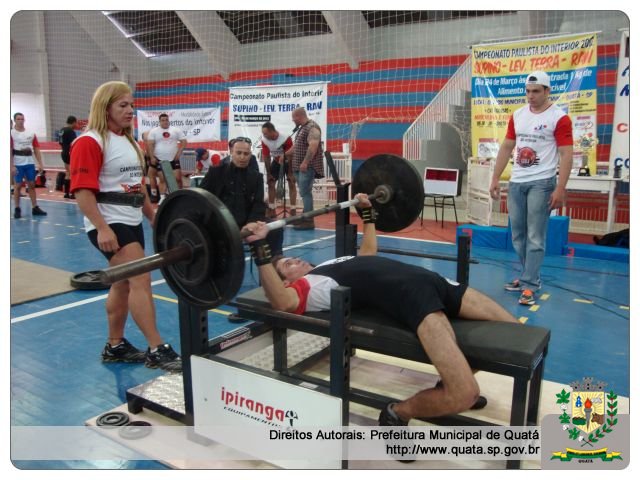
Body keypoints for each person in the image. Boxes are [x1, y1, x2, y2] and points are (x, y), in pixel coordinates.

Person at [241, 194, 519, 428]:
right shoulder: (309, 286)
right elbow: (282, 302)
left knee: (515, 331)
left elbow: (369, 255)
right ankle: (397, 412)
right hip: (413, 299)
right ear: (287, 281)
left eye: (291, 257)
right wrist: (260, 249)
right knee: (464, 394)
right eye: (287, 264)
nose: (295, 259)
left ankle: (445, 386)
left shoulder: (330, 265)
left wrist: (368, 216)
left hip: (434, 282)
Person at [70, 81, 181, 372]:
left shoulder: (129, 141)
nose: (130, 110)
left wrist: (154, 216)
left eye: (131, 104)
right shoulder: (89, 141)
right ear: (105, 108)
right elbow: (82, 191)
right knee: (140, 279)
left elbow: (137, 187)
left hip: (130, 219)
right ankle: (157, 349)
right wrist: (102, 228)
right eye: (123, 105)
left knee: (121, 282)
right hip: (109, 222)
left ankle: (115, 345)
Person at [489, 71, 573, 306]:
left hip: (542, 182)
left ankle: (529, 285)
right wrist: (496, 178)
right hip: (517, 182)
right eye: (527, 91)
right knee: (518, 235)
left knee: (535, 236)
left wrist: (560, 188)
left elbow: (567, 154)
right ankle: (529, 276)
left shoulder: (559, 118)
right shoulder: (518, 115)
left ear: (547, 91)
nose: (531, 96)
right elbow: (507, 147)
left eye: (536, 91)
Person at [200, 137, 283, 257]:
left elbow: (258, 204)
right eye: (238, 153)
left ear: (250, 155)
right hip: (220, 222)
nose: (242, 157)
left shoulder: (257, 177)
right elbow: (202, 197)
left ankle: (276, 261)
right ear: (231, 153)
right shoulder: (215, 173)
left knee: (275, 229)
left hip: (246, 222)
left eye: (246, 154)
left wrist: (251, 223)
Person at [286, 107, 325, 230]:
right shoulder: (302, 128)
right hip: (299, 167)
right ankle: (304, 217)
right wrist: (284, 154)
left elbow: (313, 146)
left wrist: (305, 162)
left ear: (298, 116)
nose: (293, 120)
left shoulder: (312, 127)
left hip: (306, 167)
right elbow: (297, 146)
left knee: (305, 193)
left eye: (293, 118)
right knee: (304, 193)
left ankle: (308, 220)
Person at [11, 112, 47, 219]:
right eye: (18, 119)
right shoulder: (11, 133)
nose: (21, 121)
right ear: (14, 120)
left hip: (29, 162)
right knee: (17, 186)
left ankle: (35, 207)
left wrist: (40, 163)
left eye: (22, 119)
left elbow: (36, 148)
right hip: (17, 163)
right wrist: (11, 165)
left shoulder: (31, 133)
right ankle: (17, 208)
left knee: (31, 185)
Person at [260, 121, 297, 218]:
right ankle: (271, 209)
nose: (264, 135)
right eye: (263, 133)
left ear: (272, 131)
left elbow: (291, 156)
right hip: (276, 162)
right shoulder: (264, 140)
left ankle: (293, 210)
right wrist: (268, 173)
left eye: (265, 133)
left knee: (291, 182)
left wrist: (290, 172)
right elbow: (266, 157)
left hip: (288, 161)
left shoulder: (285, 138)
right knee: (271, 183)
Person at [146, 113, 187, 198]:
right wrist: (152, 157)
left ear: (169, 120)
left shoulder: (176, 130)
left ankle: (179, 197)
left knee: (178, 179)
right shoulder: (154, 131)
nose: (165, 122)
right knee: (163, 180)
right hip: (160, 159)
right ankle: (161, 199)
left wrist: (179, 154)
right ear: (159, 121)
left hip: (173, 159)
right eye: (163, 120)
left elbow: (184, 142)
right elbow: (150, 145)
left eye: (166, 120)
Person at [59, 115, 78, 199]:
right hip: (70, 153)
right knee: (73, 173)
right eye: (75, 123)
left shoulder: (61, 130)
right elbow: (75, 142)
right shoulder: (70, 130)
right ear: (73, 122)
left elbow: (60, 142)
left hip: (63, 152)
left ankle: (66, 193)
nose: (76, 125)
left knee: (68, 173)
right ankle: (72, 193)